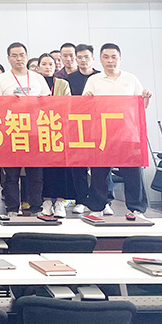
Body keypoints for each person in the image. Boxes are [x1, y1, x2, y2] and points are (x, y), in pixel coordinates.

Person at [83, 43, 152, 215]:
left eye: (114, 57)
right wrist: (87, 99)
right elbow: (85, 107)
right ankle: (97, 207)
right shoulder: (94, 80)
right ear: (100, 60)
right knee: (99, 172)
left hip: (127, 133)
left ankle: (136, 209)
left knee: (133, 172)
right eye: (106, 57)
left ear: (120, 59)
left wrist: (146, 97)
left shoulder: (131, 79)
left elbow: (142, 105)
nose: (110, 60)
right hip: (102, 134)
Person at [0, 42, 50, 215]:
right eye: (14, 56)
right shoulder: (2, 79)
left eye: (22, 55)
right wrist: (10, 102)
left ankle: (36, 207)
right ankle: (12, 208)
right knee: (11, 175)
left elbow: (48, 102)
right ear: (8, 59)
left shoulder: (38, 78)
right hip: (11, 132)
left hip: (34, 132)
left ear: (27, 56)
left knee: (35, 173)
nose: (19, 59)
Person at [37, 53, 73, 218]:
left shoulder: (62, 84)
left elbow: (67, 105)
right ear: (38, 67)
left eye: (50, 64)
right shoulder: (34, 83)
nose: (47, 67)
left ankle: (59, 202)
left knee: (60, 167)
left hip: (59, 130)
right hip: (39, 130)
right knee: (43, 169)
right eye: (44, 64)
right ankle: (46, 202)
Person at [66, 44, 100, 214]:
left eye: (86, 57)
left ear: (92, 58)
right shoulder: (69, 79)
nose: (83, 60)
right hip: (76, 127)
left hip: (98, 128)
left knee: (100, 166)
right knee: (78, 166)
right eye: (79, 57)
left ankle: (102, 200)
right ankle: (81, 200)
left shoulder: (100, 77)